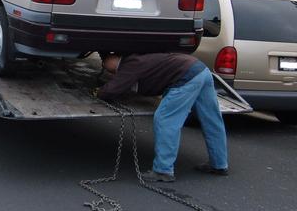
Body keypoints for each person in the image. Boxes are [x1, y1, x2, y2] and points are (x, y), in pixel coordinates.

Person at [97, 52, 228, 182]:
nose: (104, 66)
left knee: (165, 119)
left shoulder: (129, 64)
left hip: (185, 77)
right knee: (211, 120)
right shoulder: (139, 59)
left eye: (105, 63)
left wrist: (98, 92)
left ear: (115, 59)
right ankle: (219, 164)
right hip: (201, 71)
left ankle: (163, 170)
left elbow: (112, 89)